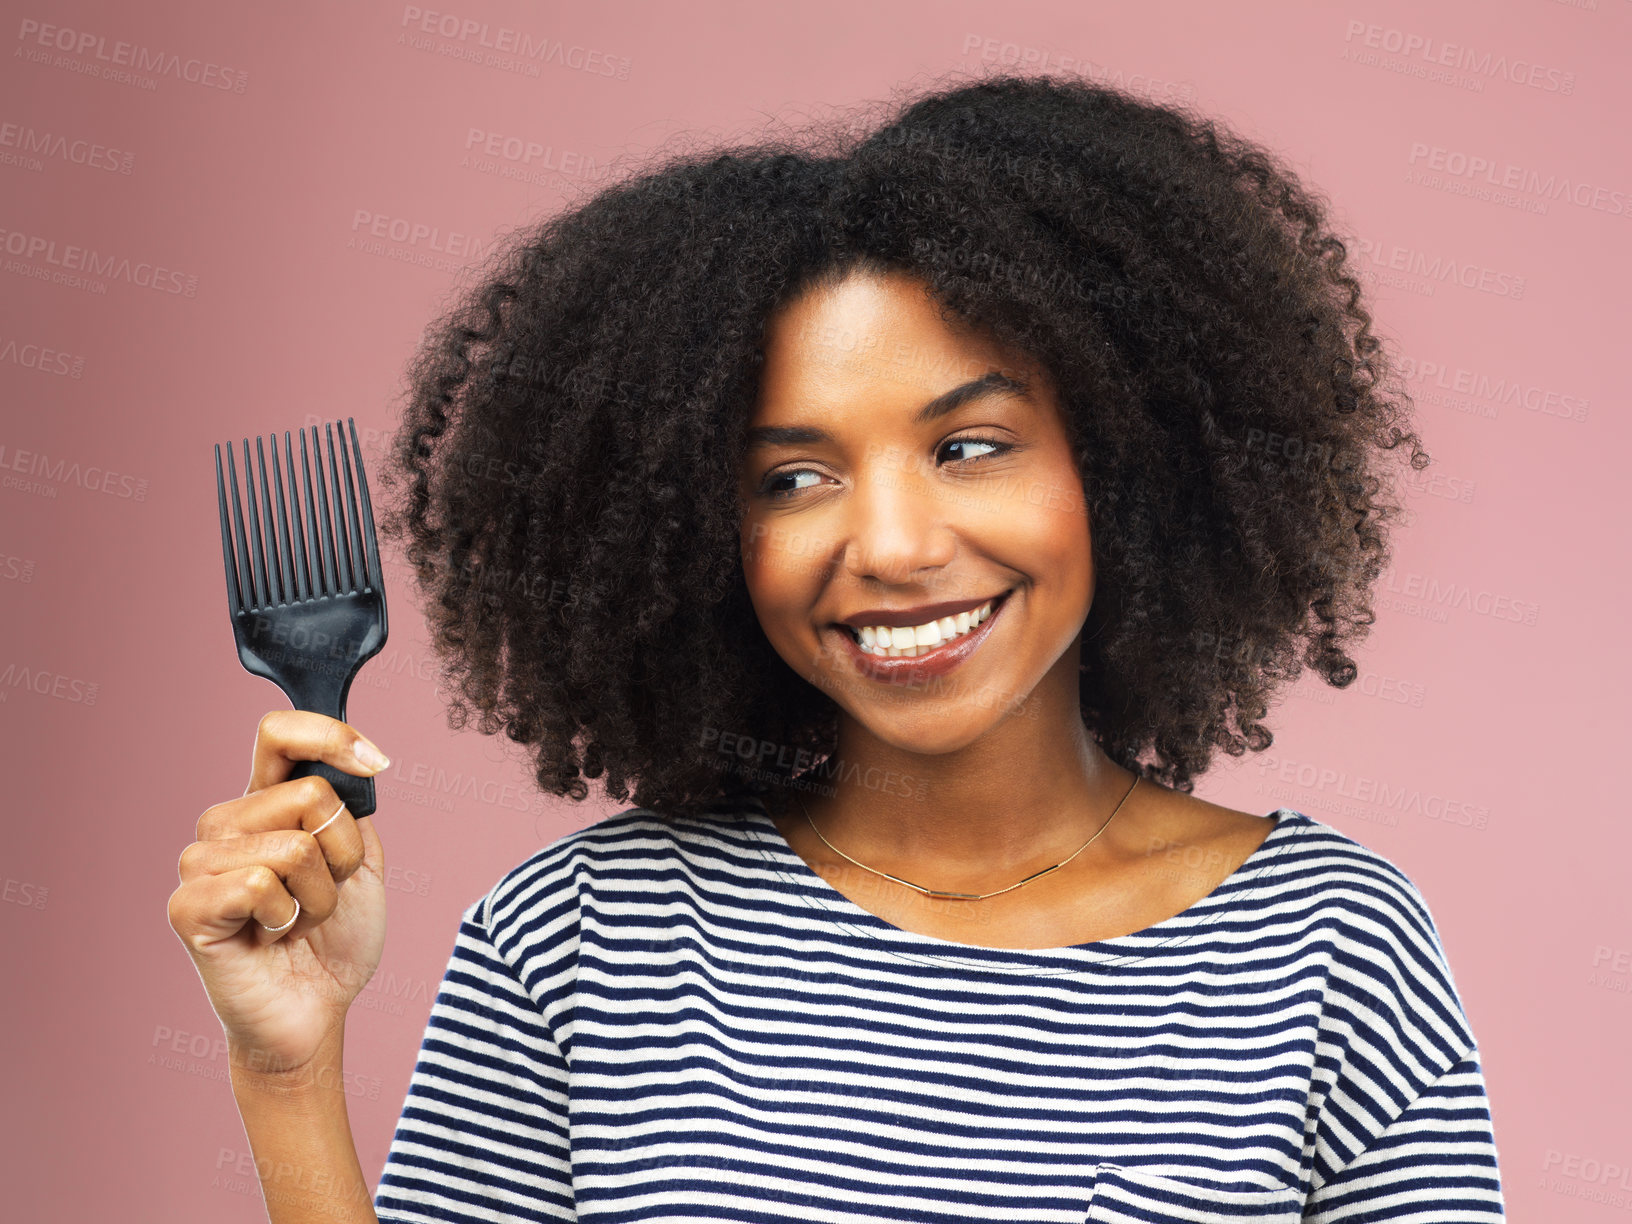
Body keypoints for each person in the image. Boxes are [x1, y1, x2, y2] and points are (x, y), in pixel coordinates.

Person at [169, 72, 1506, 1222]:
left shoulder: (1332, 948)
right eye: (795, 479)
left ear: (1123, 463)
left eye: (969, 448)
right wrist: (288, 1070)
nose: (893, 544)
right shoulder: (582, 939)